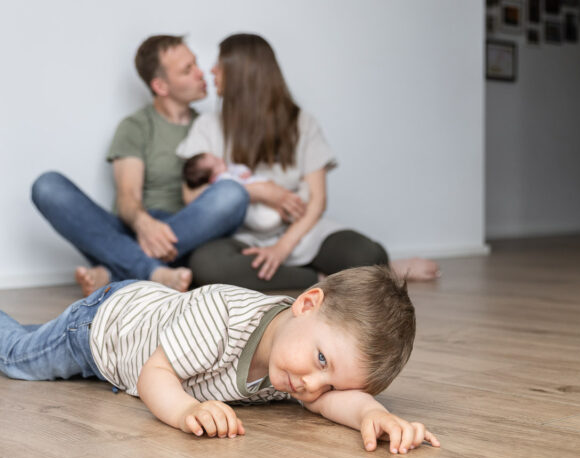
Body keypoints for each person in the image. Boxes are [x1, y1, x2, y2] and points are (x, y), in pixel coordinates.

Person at [0, 265, 441, 453]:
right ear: (306, 303)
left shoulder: (296, 355)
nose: (308, 385)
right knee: (22, 358)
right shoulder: (223, 319)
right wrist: (186, 411)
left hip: (144, 329)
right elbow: (154, 374)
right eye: (320, 360)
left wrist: (375, 415)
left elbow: (336, 401)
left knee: (33, 342)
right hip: (103, 329)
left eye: (329, 382)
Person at [178, 33, 440, 290]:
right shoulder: (207, 126)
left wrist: (282, 248)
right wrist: (259, 191)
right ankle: (321, 279)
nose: (211, 71)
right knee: (207, 266)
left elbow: (317, 200)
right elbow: (192, 197)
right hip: (240, 238)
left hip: (300, 231)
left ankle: (370, 268)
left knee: (362, 253)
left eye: (220, 64)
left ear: (242, 74)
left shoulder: (302, 123)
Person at [30, 35, 250, 298]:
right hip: (135, 227)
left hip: (186, 234)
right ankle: (153, 273)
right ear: (161, 86)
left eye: (196, 64)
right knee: (48, 187)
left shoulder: (211, 128)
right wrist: (145, 225)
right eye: (187, 70)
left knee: (234, 193)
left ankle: (116, 274)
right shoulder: (135, 127)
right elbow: (127, 197)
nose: (201, 73)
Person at [182, 152, 285, 233]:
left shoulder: (229, 169)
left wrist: (243, 173)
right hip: (255, 208)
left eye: (217, 157)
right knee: (268, 215)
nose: (221, 159)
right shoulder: (221, 180)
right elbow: (234, 189)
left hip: (264, 191)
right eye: (218, 163)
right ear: (213, 178)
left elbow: (240, 169)